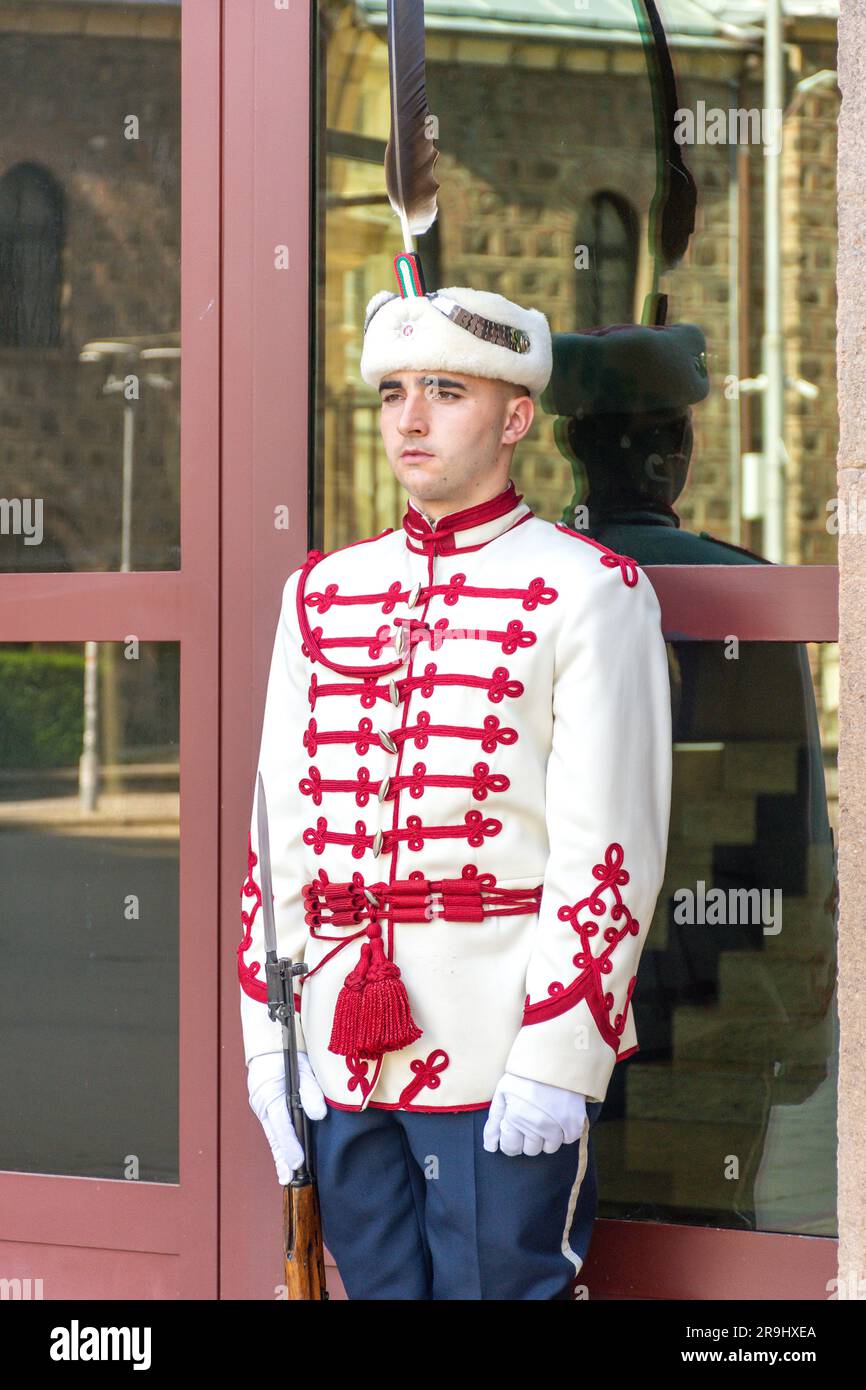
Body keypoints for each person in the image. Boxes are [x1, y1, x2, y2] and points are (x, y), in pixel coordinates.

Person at [238, 285, 673, 1300]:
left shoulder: (590, 590)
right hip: (342, 1044)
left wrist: (563, 1052)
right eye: (391, 393)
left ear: (516, 416)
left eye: (445, 391)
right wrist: (270, 1037)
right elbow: (278, 835)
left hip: (500, 1043)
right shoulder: (320, 593)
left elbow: (609, 850)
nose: (411, 420)